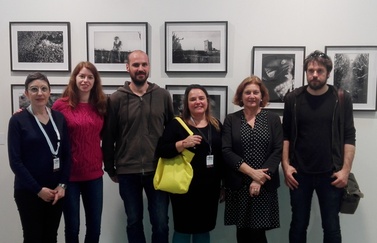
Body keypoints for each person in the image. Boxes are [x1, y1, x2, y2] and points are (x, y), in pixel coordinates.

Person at [282, 50, 356, 243]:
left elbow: (349, 136)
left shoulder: (341, 98)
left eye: (320, 70)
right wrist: (285, 166)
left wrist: (346, 171)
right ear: (306, 72)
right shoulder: (293, 99)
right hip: (299, 174)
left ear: (328, 73)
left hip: (331, 174)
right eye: (310, 70)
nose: (314, 74)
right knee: (298, 224)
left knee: (331, 226)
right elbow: (286, 136)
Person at [102, 50, 174, 243]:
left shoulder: (163, 96)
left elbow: (171, 132)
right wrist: (110, 167)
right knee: (134, 221)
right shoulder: (115, 99)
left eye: (144, 64)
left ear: (149, 67)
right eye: (136, 65)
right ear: (127, 68)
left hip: (157, 169)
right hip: (127, 171)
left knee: (161, 222)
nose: (140, 69)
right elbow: (108, 136)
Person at [8, 72, 71, 243]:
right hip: (29, 192)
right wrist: (37, 190)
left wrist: (62, 185)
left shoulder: (58, 118)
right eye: (34, 89)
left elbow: (66, 154)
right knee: (33, 237)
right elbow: (15, 161)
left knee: (51, 237)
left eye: (44, 89)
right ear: (26, 93)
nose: (39, 93)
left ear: (50, 92)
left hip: (55, 192)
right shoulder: (18, 120)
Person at [156, 84, 223, 243]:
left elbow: (221, 157)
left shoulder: (216, 124)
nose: (198, 102)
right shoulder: (176, 124)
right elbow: (162, 151)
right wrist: (183, 144)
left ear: (207, 101)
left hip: (210, 189)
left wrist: (223, 185)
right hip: (184, 188)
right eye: (193, 99)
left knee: (203, 229)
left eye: (201, 98)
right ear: (186, 103)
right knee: (183, 229)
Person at [222, 75, 282, 243]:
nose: (252, 96)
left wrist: (259, 178)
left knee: (258, 234)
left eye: (256, 92)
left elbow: (278, 150)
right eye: (247, 92)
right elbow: (226, 151)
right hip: (239, 184)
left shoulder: (273, 119)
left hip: (264, 185)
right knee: (242, 234)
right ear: (241, 96)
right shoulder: (231, 119)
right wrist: (251, 173)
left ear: (262, 96)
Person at [52, 61, 107, 243]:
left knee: (94, 227)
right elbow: (45, 125)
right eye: (82, 76)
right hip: (69, 177)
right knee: (72, 227)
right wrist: (23, 113)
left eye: (90, 77)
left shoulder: (101, 105)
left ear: (95, 81)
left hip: (94, 175)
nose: (85, 80)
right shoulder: (61, 105)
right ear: (75, 78)